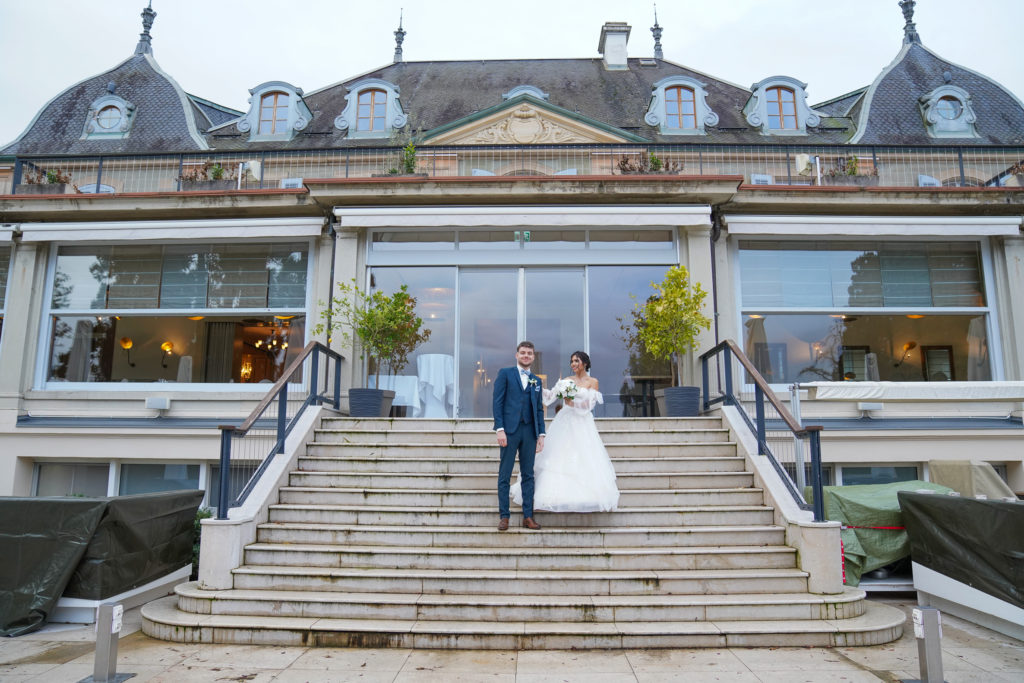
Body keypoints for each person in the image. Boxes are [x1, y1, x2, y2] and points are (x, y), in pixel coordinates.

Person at [511, 351, 619, 513]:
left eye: (576, 361)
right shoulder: (566, 381)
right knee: (557, 454)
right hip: (565, 419)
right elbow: (549, 397)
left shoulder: (593, 382)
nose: (573, 364)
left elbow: (589, 406)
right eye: (571, 361)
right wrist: (536, 385)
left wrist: (571, 399)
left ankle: (587, 496)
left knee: (585, 455)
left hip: (583, 422)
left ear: (585, 363)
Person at [492, 341, 546, 531]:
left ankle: (528, 517)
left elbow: (539, 409)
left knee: (528, 475)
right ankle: (504, 516)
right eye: (522, 353)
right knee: (504, 474)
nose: (526, 356)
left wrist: (541, 434)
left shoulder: (537, 381)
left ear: (533, 357)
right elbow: (497, 402)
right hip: (510, 431)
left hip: (529, 432)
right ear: (517, 355)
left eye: (529, 353)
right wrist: (499, 429)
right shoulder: (505, 374)